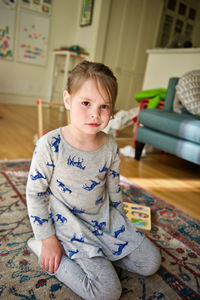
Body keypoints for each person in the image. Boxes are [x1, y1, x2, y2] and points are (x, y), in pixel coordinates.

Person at [26, 61, 161, 300]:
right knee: (107, 292)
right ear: (68, 100)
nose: (95, 114)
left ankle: (104, 252)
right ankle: (43, 249)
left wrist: (122, 224)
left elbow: (113, 188)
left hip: (101, 217)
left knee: (151, 262)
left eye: (104, 106)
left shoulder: (110, 145)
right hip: (67, 221)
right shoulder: (49, 144)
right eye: (86, 103)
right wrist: (47, 239)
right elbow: (35, 193)